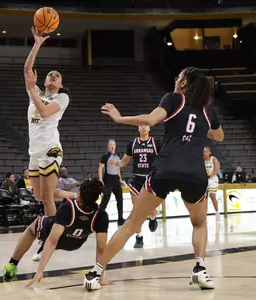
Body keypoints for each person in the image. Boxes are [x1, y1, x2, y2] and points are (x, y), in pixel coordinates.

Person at [84, 67, 224, 291]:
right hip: (194, 174)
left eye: (179, 76)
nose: (176, 78)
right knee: (199, 223)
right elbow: (219, 135)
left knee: (131, 223)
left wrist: (120, 118)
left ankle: (95, 273)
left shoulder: (174, 99)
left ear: (185, 82)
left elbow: (150, 120)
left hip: (166, 169)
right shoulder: (207, 110)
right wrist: (201, 130)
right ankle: (200, 268)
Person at [3, 178, 109, 286]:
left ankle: (12, 265)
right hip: (76, 243)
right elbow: (101, 250)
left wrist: (40, 271)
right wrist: (99, 276)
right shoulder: (102, 215)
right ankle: (41, 249)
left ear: (80, 192)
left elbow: (52, 241)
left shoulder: (68, 208)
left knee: (32, 229)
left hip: (54, 235)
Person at [24, 27, 70, 218]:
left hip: (51, 148)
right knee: (40, 196)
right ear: (43, 81)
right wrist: (36, 45)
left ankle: (51, 235)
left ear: (60, 84)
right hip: (34, 150)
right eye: (50, 74)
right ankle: (77, 197)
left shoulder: (62, 98)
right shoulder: (37, 93)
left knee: (48, 199)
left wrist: (32, 90)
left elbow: (43, 112)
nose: (52, 76)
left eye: (56, 76)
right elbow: (27, 70)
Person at [111, 125, 159, 248]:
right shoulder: (132, 143)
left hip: (151, 178)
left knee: (150, 209)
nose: (143, 127)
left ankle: (153, 218)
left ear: (149, 128)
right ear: (138, 129)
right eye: (141, 125)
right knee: (137, 210)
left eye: (146, 125)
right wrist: (116, 163)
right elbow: (125, 161)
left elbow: (163, 159)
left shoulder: (155, 143)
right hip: (137, 178)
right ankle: (139, 237)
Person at [99, 139, 125, 225]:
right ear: (108, 146)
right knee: (105, 200)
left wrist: (120, 179)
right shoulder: (105, 156)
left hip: (116, 180)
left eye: (113, 144)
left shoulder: (118, 156)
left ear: (115, 145)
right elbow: (100, 168)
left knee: (120, 199)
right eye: (110, 144)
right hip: (108, 180)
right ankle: (98, 219)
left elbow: (118, 169)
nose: (112, 146)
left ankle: (120, 219)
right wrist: (100, 179)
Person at [203, 147, 221, 222]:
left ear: (210, 152)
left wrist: (209, 175)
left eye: (207, 151)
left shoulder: (213, 159)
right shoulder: (201, 160)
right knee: (204, 198)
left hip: (213, 179)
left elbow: (216, 170)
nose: (205, 153)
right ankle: (204, 215)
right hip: (204, 180)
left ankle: (217, 213)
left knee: (212, 196)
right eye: (204, 151)